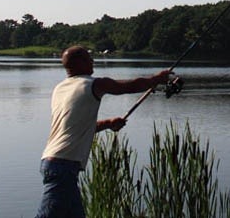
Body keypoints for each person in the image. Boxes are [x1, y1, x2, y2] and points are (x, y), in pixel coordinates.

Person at [35, 45, 172, 218]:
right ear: (78, 63)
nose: (92, 61)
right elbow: (127, 86)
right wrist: (156, 79)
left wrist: (108, 123)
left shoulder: (60, 88)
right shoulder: (94, 83)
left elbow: (76, 127)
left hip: (55, 162)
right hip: (63, 166)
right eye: (87, 58)